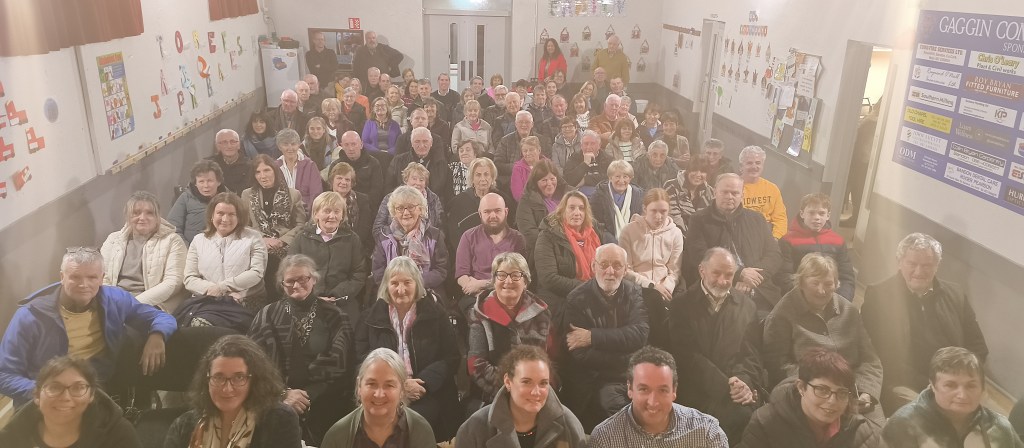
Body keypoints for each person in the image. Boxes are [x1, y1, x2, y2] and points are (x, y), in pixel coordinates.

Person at [0, 247, 176, 406]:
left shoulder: (115, 299)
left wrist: (157, 335)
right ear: (62, 277)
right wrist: (43, 392)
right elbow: (4, 374)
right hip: (46, 398)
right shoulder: (31, 315)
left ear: (102, 278)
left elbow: (161, 317)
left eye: (92, 277)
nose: (84, 285)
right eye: (75, 277)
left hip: (98, 390)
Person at [861, 233, 988, 416]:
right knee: (933, 417)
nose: (919, 272)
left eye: (927, 265)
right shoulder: (878, 296)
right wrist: (933, 385)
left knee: (981, 418)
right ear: (900, 262)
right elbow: (880, 355)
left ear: (937, 265)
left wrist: (964, 379)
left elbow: (977, 346)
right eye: (912, 264)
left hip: (956, 379)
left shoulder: (956, 294)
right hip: (905, 382)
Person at [248, 255, 355, 445]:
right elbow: (253, 363)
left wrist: (306, 397)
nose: (296, 285)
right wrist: (283, 394)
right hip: (275, 400)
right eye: (290, 281)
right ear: (282, 284)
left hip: (325, 400)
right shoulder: (266, 315)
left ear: (313, 279)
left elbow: (343, 366)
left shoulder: (335, 316)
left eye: (303, 279)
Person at [763, 253, 883, 423]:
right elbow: (777, 365)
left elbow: (870, 359)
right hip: (810, 392)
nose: (821, 290)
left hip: (854, 389)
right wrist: (819, 387)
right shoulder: (782, 315)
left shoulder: (849, 311)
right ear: (801, 282)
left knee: (877, 432)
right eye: (815, 283)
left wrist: (867, 392)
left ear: (837, 284)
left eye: (828, 284)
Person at [355, 257, 460, 438]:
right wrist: (393, 386)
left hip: (426, 391)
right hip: (383, 392)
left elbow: (451, 357)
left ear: (417, 284)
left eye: (407, 282)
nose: (401, 289)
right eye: (394, 283)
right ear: (386, 286)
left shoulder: (437, 313)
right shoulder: (369, 318)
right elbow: (361, 360)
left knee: (417, 423)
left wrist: (423, 383)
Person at [672, 248, 759, 442]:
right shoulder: (681, 305)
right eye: (717, 273)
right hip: (694, 389)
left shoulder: (747, 306)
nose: (723, 281)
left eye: (729, 275)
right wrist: (726, 385)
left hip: (734, 389)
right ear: (702, 271)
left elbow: (751, 354)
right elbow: (686, 355)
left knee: (747, 418)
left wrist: (743, 382)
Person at [560, 243, 649, 430]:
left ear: (625, 269)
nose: (610, 271)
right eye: (604, 264)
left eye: (617, 265)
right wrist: (626, 357)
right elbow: (580, 353)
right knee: (618, 408)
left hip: (629, 372)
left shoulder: (634, 292)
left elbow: (640, 334)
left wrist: (593, 337)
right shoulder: (576, 298)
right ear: (593, 266)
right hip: (595, 377)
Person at [163, 335, 302, 448]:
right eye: (219, 377)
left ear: (254, 380)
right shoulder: (183, 426)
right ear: (207, 379)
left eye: (239, 377)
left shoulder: (279, 419)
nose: (227, 388)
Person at [739, 348, 882, 448]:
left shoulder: (863, 432)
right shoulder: (765, 423)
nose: (832, 401)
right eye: (822, 390)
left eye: (842, 393)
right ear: (801, 387)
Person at [588, 346, 728, 447]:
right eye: (644, 389)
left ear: (674, 391)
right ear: (630, 389)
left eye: (662, 390)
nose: (653, 402)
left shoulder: (707, 433)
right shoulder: (605, 439)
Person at [882, 347, 1023, 447]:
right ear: (932, 386)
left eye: (971, 386)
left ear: (982, 388)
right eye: (950, 385)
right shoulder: (903, 425)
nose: (962, 395)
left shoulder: (999, 428)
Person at [685, 173, 782, 311]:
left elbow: (774, 255)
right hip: (717, 288)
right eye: (725, 192)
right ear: (714, 192)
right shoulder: (699, 219)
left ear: (742, 195)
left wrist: (752, 278)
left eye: (735, 193)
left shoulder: (757, 219)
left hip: (760, 289)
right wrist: (738, 274)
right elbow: (699, 256)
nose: (729, 196)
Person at [457, 346, 587, 448]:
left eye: (543, 383)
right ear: (508, 382)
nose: (536, 392)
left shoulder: (569, 425)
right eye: (526, 382)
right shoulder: (474, 429)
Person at [465, 254, 553, 403]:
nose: (508, 281)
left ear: (525, 282)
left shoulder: (542, 313)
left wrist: (535, 387)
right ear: (494, 281)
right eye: (501, 275)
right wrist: (513, 388)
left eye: (516, 275)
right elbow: (476, 364)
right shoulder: (479, 313)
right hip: (493, 394)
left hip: (536, 391)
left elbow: (549, 359)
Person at [0, 356, 141, 448]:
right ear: (37, 396)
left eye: (78, 388)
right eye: (55, 387)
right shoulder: (12, 436)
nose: (65, 397)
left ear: (91, 395)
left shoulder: (118, 435)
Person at [320, 347, 437, 448]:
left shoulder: (421, 431)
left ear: (402, 390)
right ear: (359, 386)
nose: (379, 394)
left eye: (389, 385)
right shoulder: (337, 437)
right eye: (371, 384)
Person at [100, 191, 187, 313]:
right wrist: (113, 301)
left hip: (153, 304)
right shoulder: (113, 239)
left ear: (158, 217)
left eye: (149, 213)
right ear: (127, 216)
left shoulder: (173, 241)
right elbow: (102, 276)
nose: (142, 218)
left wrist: (133, 304)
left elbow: (173, 282)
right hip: (115, 302)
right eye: (136, 213)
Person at [618, 188, 683, 350]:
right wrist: (653, 286)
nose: (659, 216)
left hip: (665, 289)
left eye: (663, 211)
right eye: (654, 211)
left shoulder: (675, 233)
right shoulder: (628, 231)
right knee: (653, 303)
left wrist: (665, 288)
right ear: (644, 209)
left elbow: (675, 270)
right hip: (636, 287)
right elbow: (626, 270)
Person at [183, 192, 269, 312]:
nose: (225, 219)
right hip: (208, 298)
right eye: (220, 213)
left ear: (239, 217)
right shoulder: (198, 240)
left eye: (231, 214)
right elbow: (189, 278)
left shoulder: (253, 237)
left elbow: (257, 273)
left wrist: (223, 287)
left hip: (246, 299)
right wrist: (215, 290)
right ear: (212, 215)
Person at [534, 191, 614, 314]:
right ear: (562, 210)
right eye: (571, 208)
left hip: (594, 292)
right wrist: (589, 288)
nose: (577, 213)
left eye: (581, 208)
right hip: (560, 299)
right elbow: (548, 278)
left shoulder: (595, 232)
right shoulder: (547, 235)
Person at [289, 191, 368, 307]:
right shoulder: (301, 238)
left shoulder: (352, 239)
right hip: (307, 299)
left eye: (337, 211)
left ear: (342, 216)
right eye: (327, 211)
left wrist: (336, 296)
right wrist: (313, 297)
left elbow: (358, 274)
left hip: (342, 300)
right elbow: (291, 273)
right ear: (316, 214)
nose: (332, 216)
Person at [371, 186, 449, 300]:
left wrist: (414, 284)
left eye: (411, 207)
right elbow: (378, 271)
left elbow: (441, 270)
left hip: (427, 290)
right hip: (393, 292)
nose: (406, 213)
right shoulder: (384, 236)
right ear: (393, 211)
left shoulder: (435, 235)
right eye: (400, 208)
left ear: (420, 209)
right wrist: (398, 286)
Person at [456, 195, 528, 313]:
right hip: (475, 297)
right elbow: (462, 275)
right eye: (487, 212)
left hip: (508, 294)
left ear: (506, 212)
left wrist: (483, 284)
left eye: (497, 210)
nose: (493, 216)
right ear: (480, 214)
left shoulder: (518, 239)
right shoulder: (468, 237)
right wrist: (473, 288)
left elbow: (519, 278)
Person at [777, 193, 856, 301]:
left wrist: (840, 300)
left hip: (832, 298)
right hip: (800, 299)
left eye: (821, 213)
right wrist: (805, 298)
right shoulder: (788, 241)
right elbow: (784, 276)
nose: (817, 218)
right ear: (802, 214)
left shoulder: (838, 241)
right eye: (811, 213)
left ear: (828, 216)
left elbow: (847, 277)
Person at [244, 154, 306, 283]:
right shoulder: (247, 194)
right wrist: (262, 239)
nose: (263, 176)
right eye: (258, 172)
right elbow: (244, 225)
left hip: (285, 246)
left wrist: (282, 241)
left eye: (267, 170)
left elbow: (300, 224)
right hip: (258, 244)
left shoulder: (294, 194)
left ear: (275, 171)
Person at [447, 157, 503, 251]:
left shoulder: (502, 199)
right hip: (468, 251)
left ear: (492, 177)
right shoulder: (458, 202)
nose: (483, 179)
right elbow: (454, 233)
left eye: (486, 174)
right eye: (478, 175)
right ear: (472, 178)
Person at [168, 160, 228, 245]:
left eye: (210, 181)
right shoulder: (186, 198)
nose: (206, 185)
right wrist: (187, 248)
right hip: (191, 249)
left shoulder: (229, 199)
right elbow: (173, 228)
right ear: (195, 183)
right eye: (201, 181)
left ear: (218, 182)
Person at [515, 159, 567, 255]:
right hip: (543, 252)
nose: (549, 183)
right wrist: (556, 247)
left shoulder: (568, 195)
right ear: (536, 182)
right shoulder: (526, 202)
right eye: (544, 180)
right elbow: (529, 234)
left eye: (552, 179)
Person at [374, 163, 445, 233]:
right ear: (406, 180)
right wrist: (392, 239)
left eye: (421, 180)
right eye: (414, 179)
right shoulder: (390, 198)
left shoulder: (434, 199)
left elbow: (441, 228)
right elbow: (378, 228)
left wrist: (432, 239)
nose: (418, 183)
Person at [386, 127, 452, 200]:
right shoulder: (398, 161)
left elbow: (447, 194)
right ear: (412, 143)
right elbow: (388, 188)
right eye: (417, 141)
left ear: (431, 143)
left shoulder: (442, 164)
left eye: (425, 141)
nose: (421, 145)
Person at [738, 146, 787, 239]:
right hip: (741, 234)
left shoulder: (772, 189)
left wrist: (775, 238)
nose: (754, 167)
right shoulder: (733, 187)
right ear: (741, 166)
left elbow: (780, 219)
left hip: (767, 236)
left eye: (758, 163)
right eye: (749, 163)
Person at [496, 111, 552, 189]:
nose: (524, 125)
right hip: (511, 181)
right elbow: (498, 163)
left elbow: (549, 162)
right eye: (520, 122)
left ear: (532, 124)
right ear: (515, 124)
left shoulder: (543, 141)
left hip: (538, 179)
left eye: (527, 122)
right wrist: (519, 169)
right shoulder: (505, 141)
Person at [327, 163, 374, 255]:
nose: (343, 182)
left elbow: (364, 229)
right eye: (339, 178)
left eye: (347, 179)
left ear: (352, 183)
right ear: (332, 180)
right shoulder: (323, 200)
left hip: (355, 247)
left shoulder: (362, 200)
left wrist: (349, 246)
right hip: (328, 246)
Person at [590, 160, 644, 239]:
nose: (621, 181)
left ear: (630, 179)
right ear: (610, 178)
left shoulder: (638, 195)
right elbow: (597, 225)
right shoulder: (599, 195)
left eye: (625, 177)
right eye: (617, 176)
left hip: (632, 238)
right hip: (606, 239)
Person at [329, 130, 385, 206]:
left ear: (361, 145)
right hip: (340, 205)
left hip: (367, 206)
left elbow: (377, 192)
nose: (350, 148)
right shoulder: (335, 165)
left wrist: (363, 204)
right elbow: (331, 190)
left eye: (353, 144)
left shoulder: (373, 164)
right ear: (341, 146)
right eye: (346, 145)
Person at [275, 129, 323, 214]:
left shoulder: (310, 165)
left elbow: (316, 195)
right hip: (280, 214)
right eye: (285, 144)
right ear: (279, 147)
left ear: (299, 145)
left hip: (305, 213)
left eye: (293, 144)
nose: (290, 148)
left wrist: (308, 214)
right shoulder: (274, 167)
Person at [664, 155, 714, 232]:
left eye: (703, 171)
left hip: (701, 235)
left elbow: (709, 220)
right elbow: (674, 218)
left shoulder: (709, 191)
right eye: (694, 170)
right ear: (687, 170)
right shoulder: (671, 186)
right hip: (676, 233)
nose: (698, 174)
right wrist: (691, 236)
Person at [563, 130, 613, 195]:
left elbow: (610, 178)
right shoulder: (574, 157)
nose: (588, 147)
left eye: (592, 144)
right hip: (578, 194)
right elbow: (568, 180)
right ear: (581, 146)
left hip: (602, 194)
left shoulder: (607, 159)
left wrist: (586, 180)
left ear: (599, 145)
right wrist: (585, 164)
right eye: (586, 144)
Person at [209, 128, 251, 193]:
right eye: (224, 142)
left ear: (238, 145)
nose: (229, 146)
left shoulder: (250, 165)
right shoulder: (209, 165)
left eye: (233, 142)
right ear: (218, 146)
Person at [510, 136, 548, 202]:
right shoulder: (518, 168)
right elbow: (517, 194)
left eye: (531, 150)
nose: (528, 153)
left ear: (539, 150)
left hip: (548, 203)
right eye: (525, 151)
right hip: (527, 204)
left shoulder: (548, 165)